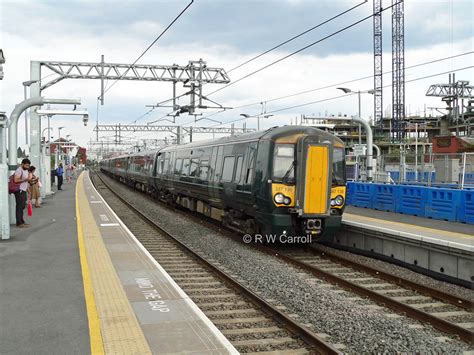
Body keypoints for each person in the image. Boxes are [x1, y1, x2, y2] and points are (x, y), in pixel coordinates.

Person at [13, 158, 32, 228]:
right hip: (19, 190)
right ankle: (19, 222)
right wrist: (25, 179)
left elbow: (26, 182)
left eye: (28, 166)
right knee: (19, 206)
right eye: (26, 165)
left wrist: (28, 190)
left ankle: (22, 221)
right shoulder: (19, 170)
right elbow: (16, 180)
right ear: (22, 164)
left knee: (23, 206)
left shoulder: (26, 171)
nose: (27, 167)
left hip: (23, 190)